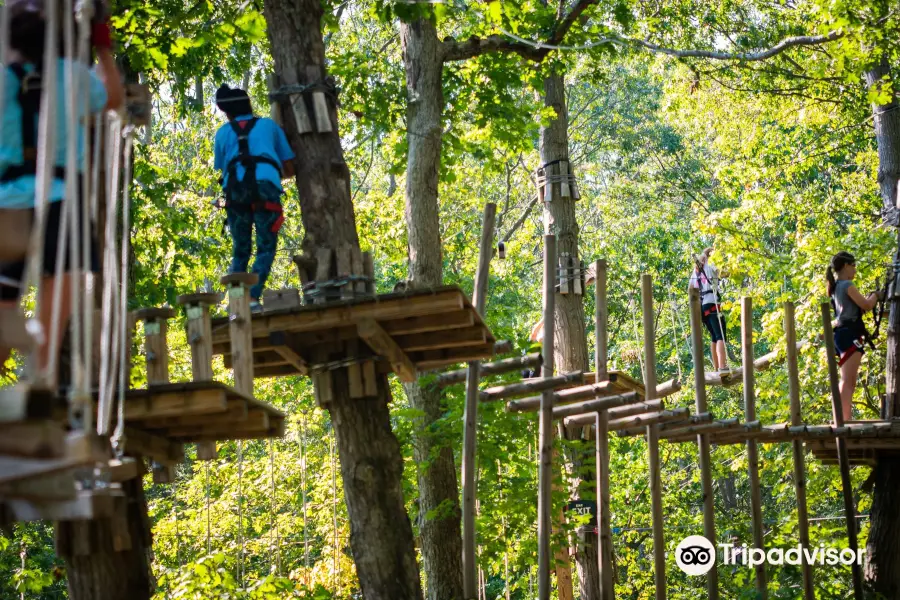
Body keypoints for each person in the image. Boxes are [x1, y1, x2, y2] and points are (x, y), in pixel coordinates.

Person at [0, 0, 123, 382]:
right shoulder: (72, 76)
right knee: (58, 287)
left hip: (8, 205)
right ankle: (41, 372)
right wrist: (102, 45)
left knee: (4, 303)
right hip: (59, 201)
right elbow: (113, 98)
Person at [213, 84, 295, 313]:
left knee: (240, 250)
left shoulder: (222, 133)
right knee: (265, 248)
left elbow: (223, 168)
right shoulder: (269, 126)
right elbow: (289, 167)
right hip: (265, 187)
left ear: (228, 113)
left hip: (235, 191)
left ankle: (237, 302)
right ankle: (252, 297)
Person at [827, 251, 883, 421]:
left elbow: (858, 308)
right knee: (848, 381)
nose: (855, 271)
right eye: (854, 266)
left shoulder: (836, 286)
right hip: (849, 334)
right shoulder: (846, 285)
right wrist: (876, 295)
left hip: (842, 334)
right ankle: (843, 419)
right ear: (845, 265)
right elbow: (866, 304)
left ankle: (843, 418)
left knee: (848, 380)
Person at [689, 247, 729, 372]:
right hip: (712, 302)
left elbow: (690, 287)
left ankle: (717, 367)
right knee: (720, 335)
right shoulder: (711, 265)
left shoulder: (696, 271)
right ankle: (722, 366)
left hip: (701, 306)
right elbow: (725, 272)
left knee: (713, 336)